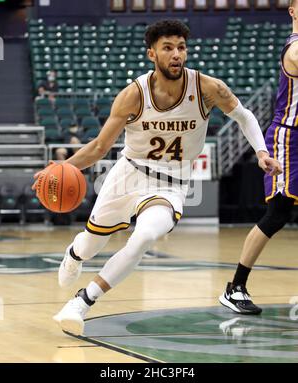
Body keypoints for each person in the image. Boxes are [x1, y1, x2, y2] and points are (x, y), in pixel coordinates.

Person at [33, 19, 281, 336]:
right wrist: (56, 169)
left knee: (146, 236)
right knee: (90, 244)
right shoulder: (133, 95)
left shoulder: (207, 88)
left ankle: (81, 302)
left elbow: (244, 115)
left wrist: (261, 151)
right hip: (128, 174)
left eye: (181, 47)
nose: (177, 54)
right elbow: (99, 147)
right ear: (152, 54)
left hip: (171, 185)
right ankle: (74, 254)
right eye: (168, 48)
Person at [219, 1, 298, 315]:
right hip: (288, 138)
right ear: (293, 10)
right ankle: (235, 287)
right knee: (278, 213)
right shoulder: (293, 49)